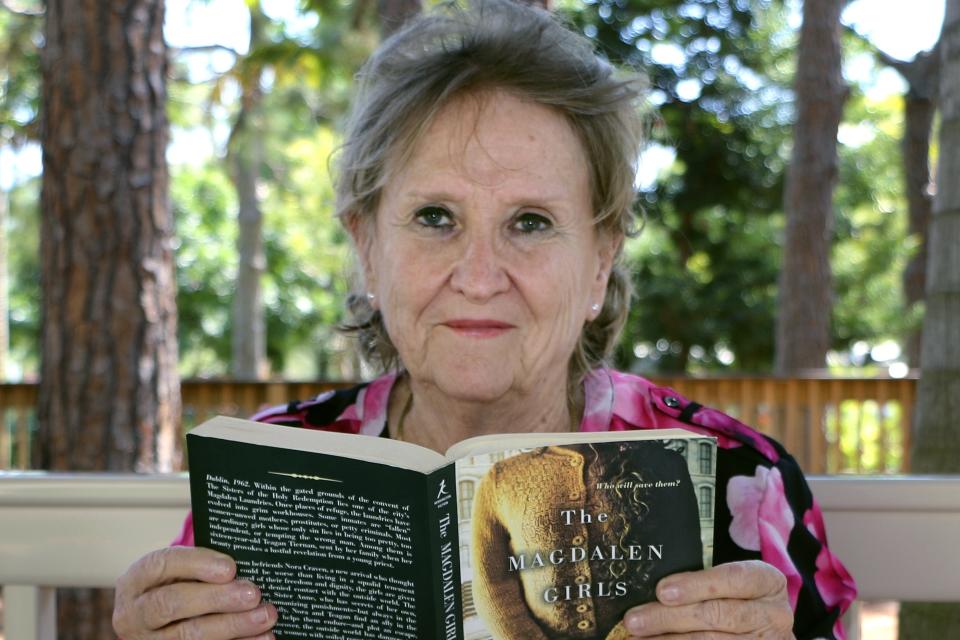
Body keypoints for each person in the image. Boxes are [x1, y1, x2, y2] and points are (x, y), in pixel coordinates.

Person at [112, 1, 856, 639]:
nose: (477, 277)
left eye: (530, 222)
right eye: (435, 217)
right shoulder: (268, 471)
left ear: (599, 261)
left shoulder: (741, 479)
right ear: (367, 247)